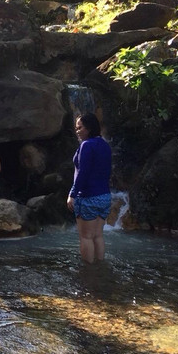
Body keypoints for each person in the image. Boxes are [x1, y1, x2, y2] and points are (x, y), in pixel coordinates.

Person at [68, 113, 113, 264]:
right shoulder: (105, 145)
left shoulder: (86, 145)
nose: (77, 131)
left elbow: (83, 172)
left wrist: (72, 194)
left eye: (80, 127)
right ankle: (99, 268)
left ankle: (88, 272)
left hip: (88, 197)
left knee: (86, 237)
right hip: (105, 197)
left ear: (89, 128)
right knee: (98, 236)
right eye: (76, 128)